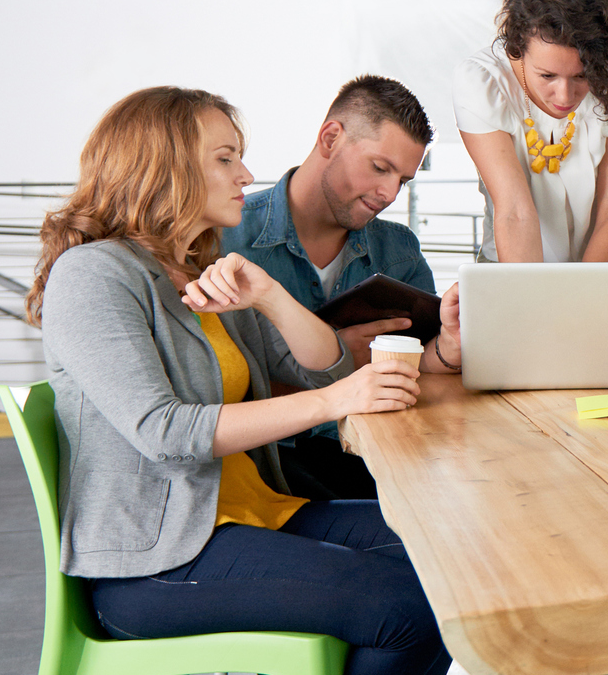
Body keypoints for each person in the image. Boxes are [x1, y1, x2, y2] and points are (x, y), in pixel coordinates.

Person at [25, 86, 452, 675]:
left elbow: (320, 365)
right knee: (409, 606)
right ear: (163, 164)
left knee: (454, 556)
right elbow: (165, 430)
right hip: (155, 564)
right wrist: (334, 399)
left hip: (257, 514)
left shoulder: (204, 270)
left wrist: (272, 296)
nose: (246, 174)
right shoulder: (94, 274)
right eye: (225, 158)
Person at [221, 75, 462, 500]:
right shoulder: (226, 242)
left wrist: (446, 349)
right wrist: (334, 364)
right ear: (330, 138)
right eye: (380, 167)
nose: (389, 193)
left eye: (403, 180)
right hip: (269, 468)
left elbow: (419, 370)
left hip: (382, 456)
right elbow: (210, 400)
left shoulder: (398, 250)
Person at [453, 0, 608, 263]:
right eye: (547, 76)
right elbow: (514, 212)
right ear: (518, 49)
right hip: (515, 254)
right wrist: (533, 300)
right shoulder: (481, 82)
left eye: (581, 76)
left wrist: (579, 293)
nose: (565, 96)